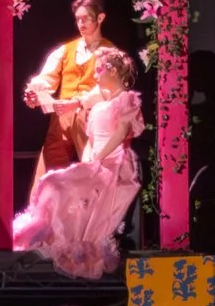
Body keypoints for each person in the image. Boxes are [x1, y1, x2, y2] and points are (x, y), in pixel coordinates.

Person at [11, 46, 146, 279]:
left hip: (114, 163)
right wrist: (87, 162)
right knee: (54, 182)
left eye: (99, 69)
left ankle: (78, 245)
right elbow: (73, 109)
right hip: (96, 161)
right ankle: (51, 236)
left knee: (71, 190)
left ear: (113, 72)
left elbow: (121, 133)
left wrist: (100, 157)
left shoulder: (126, 99)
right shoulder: (100, 98)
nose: (95, 73)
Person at [23, 0, 123, 198]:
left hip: (90, 119)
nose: (81, 24)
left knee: (94, 176)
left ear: (100, 18)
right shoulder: (65, 50)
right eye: (78, 19)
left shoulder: (109, 52)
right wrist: (35, 93)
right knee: (46, 181)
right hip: (61, 118)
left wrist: (78, 102)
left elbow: (108, 89)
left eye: (86, 19)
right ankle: (42, 215)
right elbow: (46, 78)